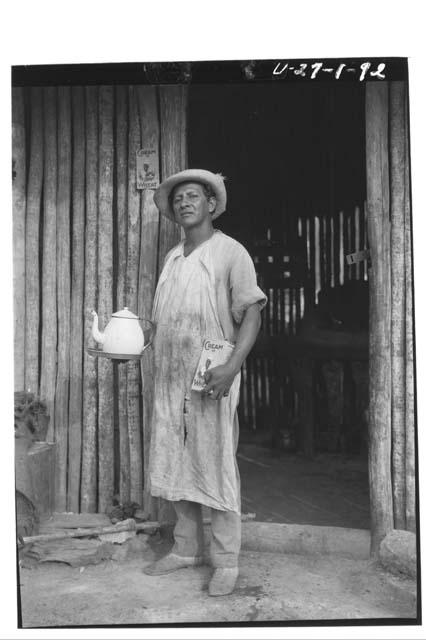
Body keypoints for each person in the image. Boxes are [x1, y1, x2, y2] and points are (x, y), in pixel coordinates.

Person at [144, 169, 267, 596]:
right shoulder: (173, 258)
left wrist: (231, 367)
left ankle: (226, 560)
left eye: (193, 196)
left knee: (215, 461)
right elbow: (163, 320)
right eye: (178, 199)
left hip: (211, 373)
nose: (184, 203)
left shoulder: (231, 253)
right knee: (176, 458)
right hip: (169, 376)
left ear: (211, 204)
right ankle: (185, 548)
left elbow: (251, 312)